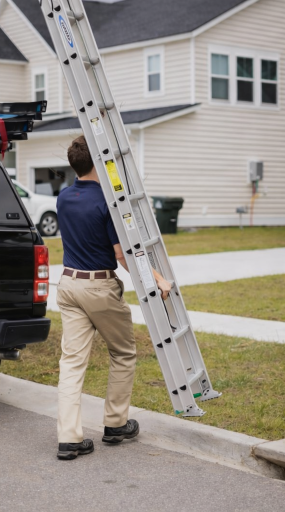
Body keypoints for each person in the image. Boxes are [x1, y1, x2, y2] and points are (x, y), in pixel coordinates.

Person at [55, 135, 171, 461]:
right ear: (99, 163)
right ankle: (116, 424)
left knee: (72, 364)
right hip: (98, 288)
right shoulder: (107, 201)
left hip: (68, 285)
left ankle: (69, 438)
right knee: (122, 352)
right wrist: (158, 279)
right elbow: (123, 256)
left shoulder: (63, 198)